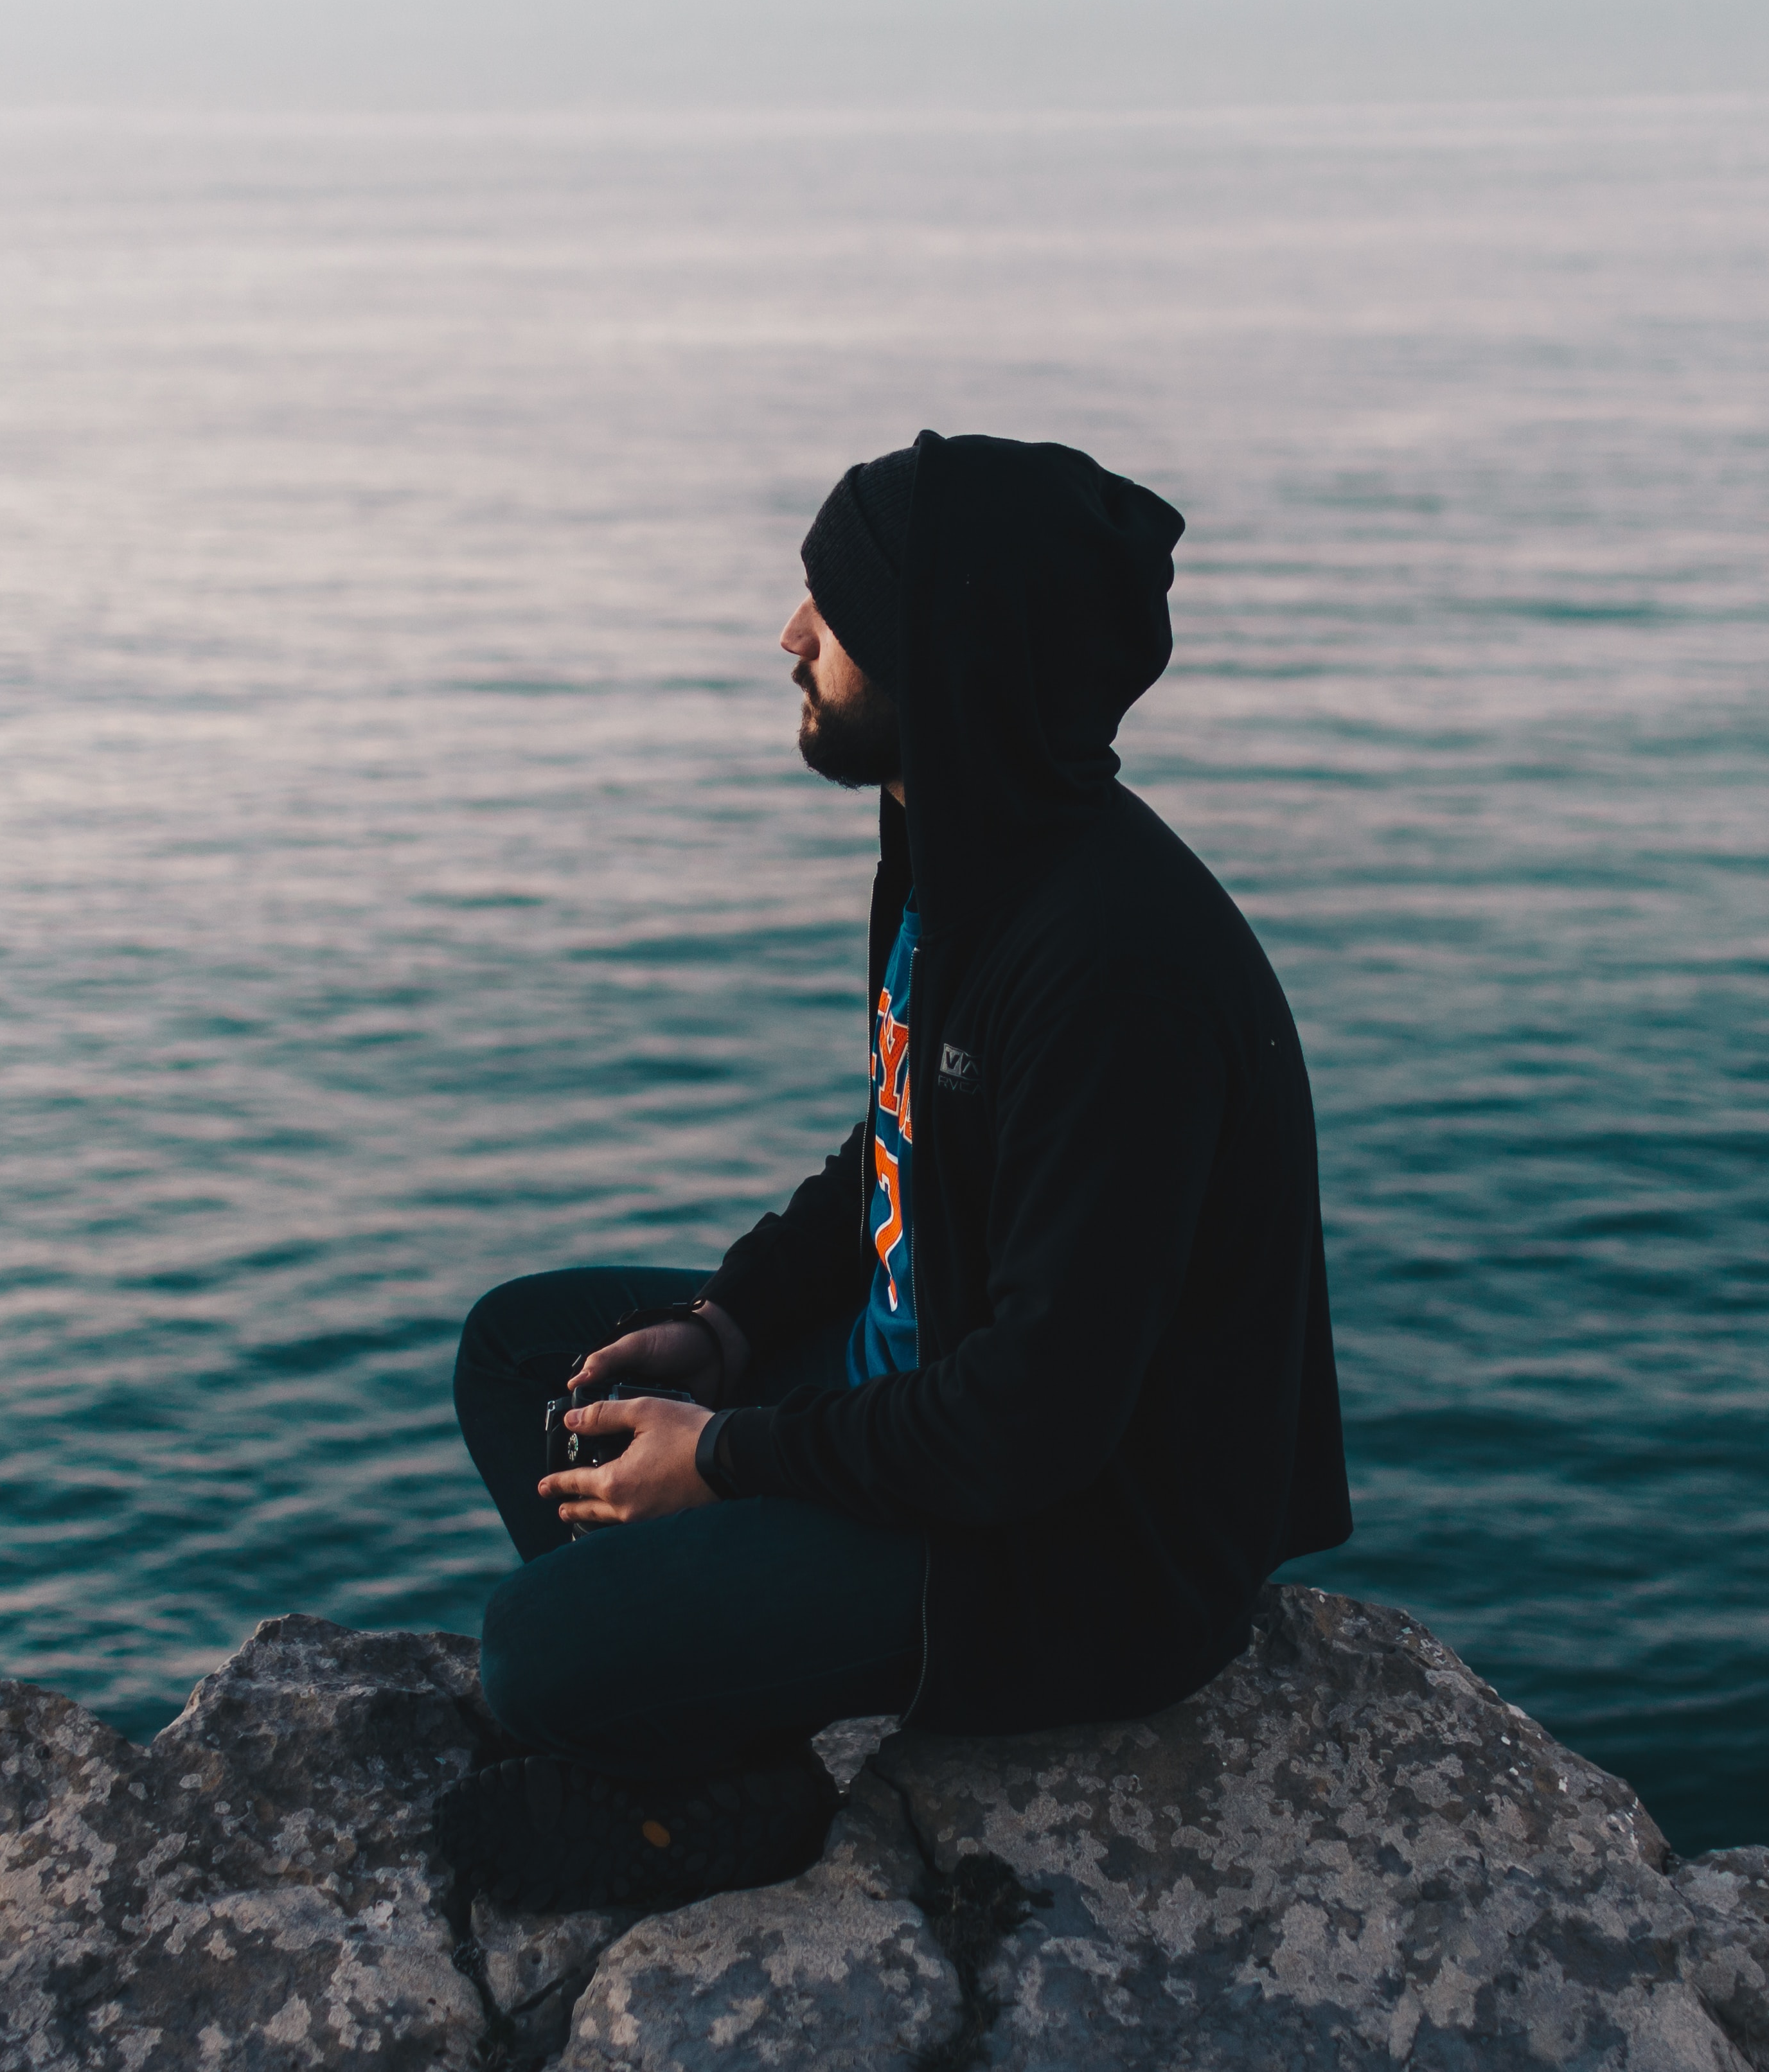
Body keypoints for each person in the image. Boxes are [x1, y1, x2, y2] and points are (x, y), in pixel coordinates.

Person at [435, 430, 1351, 1911]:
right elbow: (902, 1137)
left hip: (1063, 1550)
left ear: (947, 659)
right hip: (931, 1391)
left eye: (837, 607)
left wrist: (725, 1460)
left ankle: (698, 1746)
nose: (791, 636)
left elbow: (1032, 1424)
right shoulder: (962, 847)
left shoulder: (1118, 971)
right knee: (522, 1350)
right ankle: (705, 1695)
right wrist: (729, 1326)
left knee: (533, 1655)